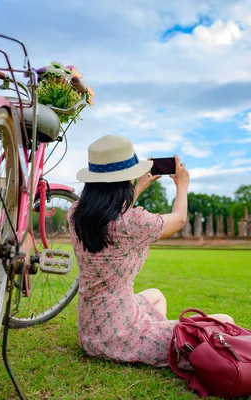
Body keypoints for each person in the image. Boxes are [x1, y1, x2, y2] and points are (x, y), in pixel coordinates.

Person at [68, 134, 233, 367]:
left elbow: (111, 216)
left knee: (156, 294)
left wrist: (138, 188)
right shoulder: (133, 222)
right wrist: (182, 185)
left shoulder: (76, 213)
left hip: (91, 331)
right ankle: (158, 342)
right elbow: (178, 220)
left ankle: (161, 338)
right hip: (120, 335)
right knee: (225, 321)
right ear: (126, 179)